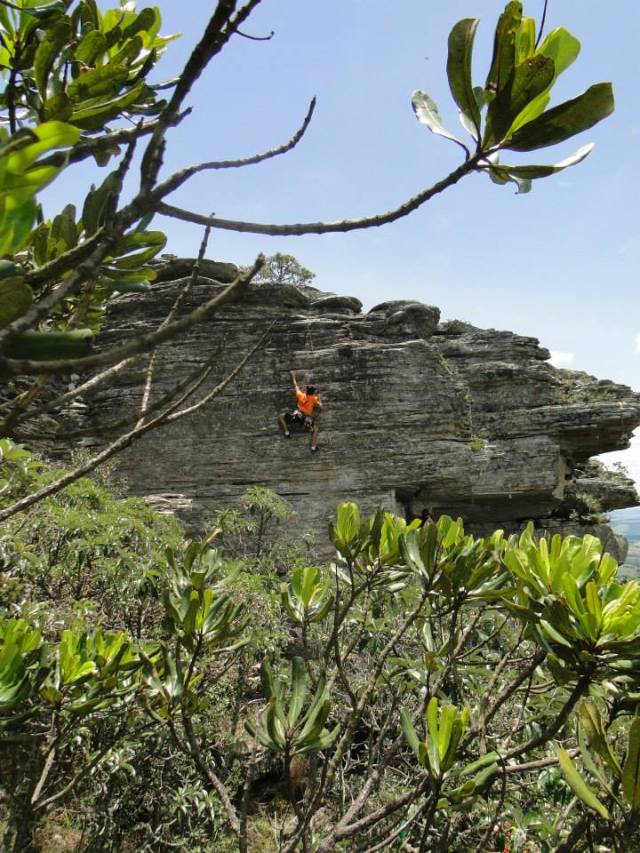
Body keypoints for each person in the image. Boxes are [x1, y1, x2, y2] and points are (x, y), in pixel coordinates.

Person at [277, 370, 323, 452]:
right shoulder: (314, 399)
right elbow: (320, 408)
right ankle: (313, 447)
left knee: (281, 417)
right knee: (315, 429)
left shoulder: (300, 395)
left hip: (297, 415)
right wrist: (319, 398)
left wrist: (293, 376)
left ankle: (287, 432)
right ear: (313, 393)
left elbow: (295, 385)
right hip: (306, 418)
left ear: (306, 391)